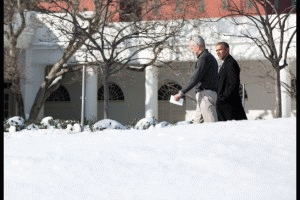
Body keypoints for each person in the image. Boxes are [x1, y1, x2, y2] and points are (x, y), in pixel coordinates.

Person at [174, 35, 218, 123]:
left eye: (192, 48)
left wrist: (181, 93)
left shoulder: (204, 58)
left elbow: (195, 78)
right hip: (206, 94)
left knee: (212, 125)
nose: (192, 51)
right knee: (197, 125)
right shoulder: (209, 57)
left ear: (197, 47)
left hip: (205, 95)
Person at [215, 42, 247, 121]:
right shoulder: (225, 63)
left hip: (230, 106)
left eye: (220, 50)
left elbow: (233, 84)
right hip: (225, 105)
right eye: (216, 51)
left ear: (227, 50)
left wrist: (222, 98)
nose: (218, 52)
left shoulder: (231, 63)